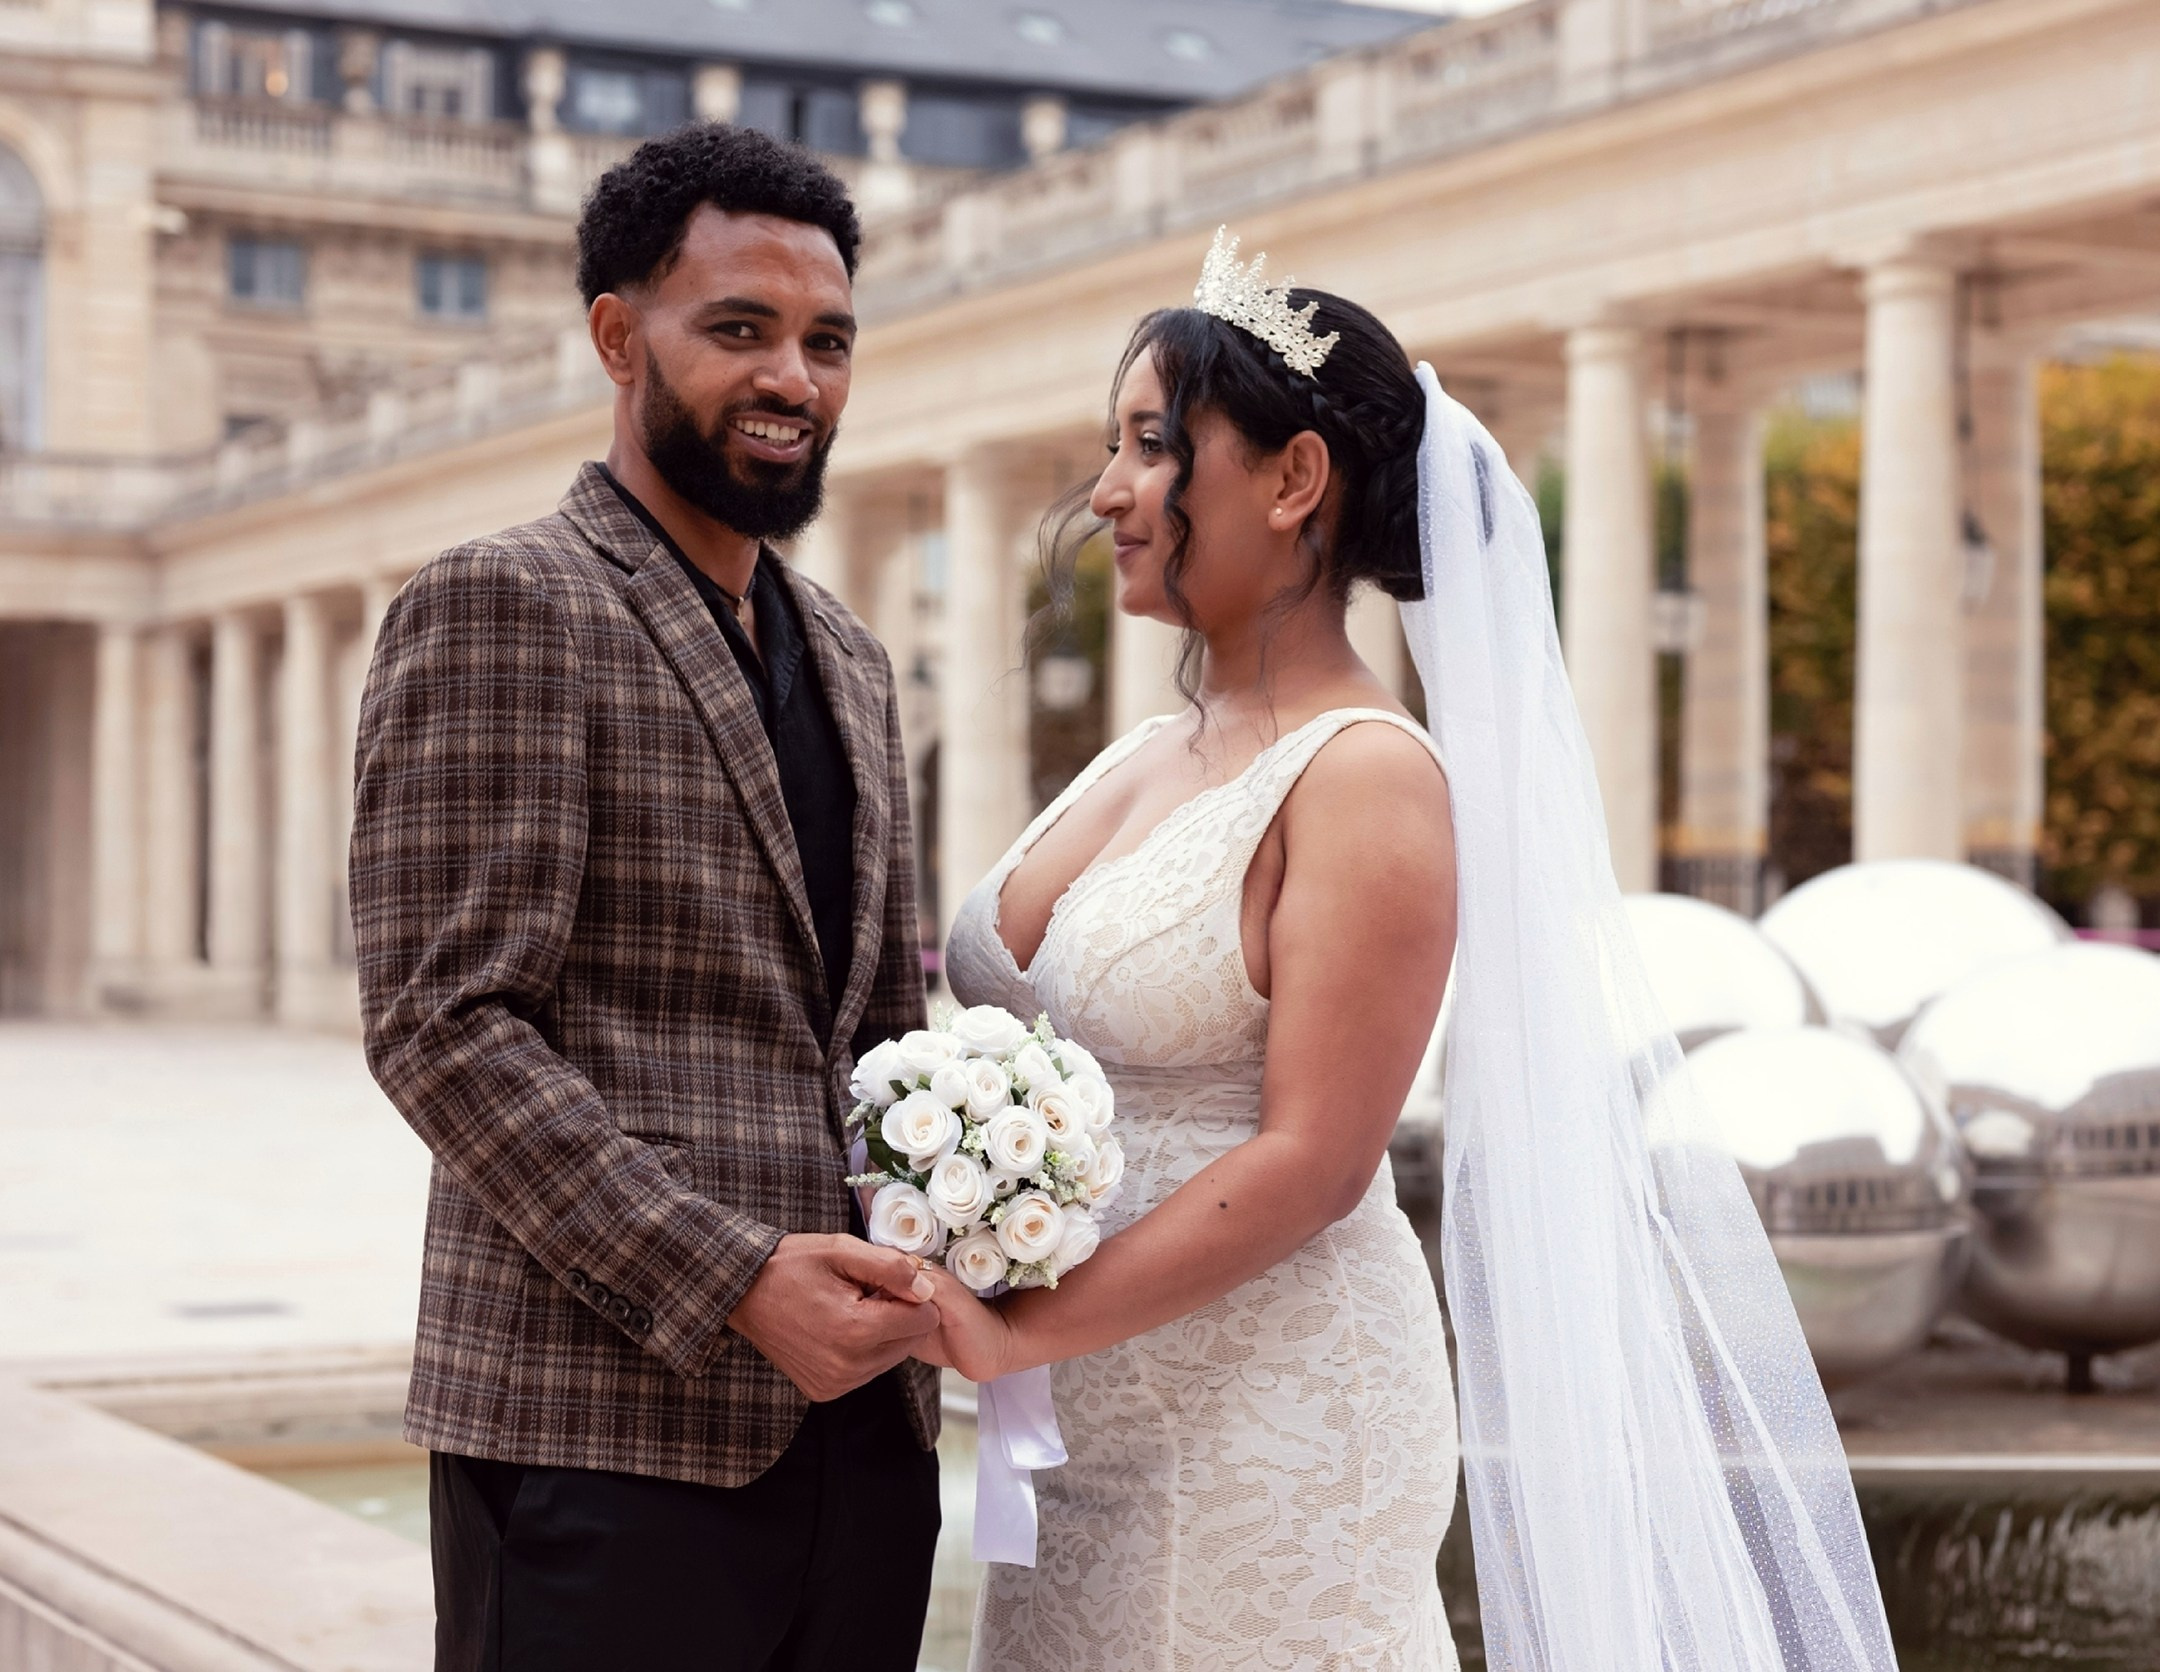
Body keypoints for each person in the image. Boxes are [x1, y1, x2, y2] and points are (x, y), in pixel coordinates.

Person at [926, 233, 1900, 1671]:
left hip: (1268, 1420)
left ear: (1294, 477)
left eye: (1151, 445)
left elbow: (1317, 1162)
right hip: (1087, 1418)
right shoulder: (1144, 753)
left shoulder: (1370, 777)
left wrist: (1014, 1331)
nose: (1111, 493)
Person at [350, 125, 943, 1672]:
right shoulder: (503, 602)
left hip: (862, 1447)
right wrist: (734, 1278)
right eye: (737, 329)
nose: (792, 379)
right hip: (594, 1438)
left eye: (827, 342)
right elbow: (442, 1025)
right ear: (620, 336)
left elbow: (879, 1028)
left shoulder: (856, 661)